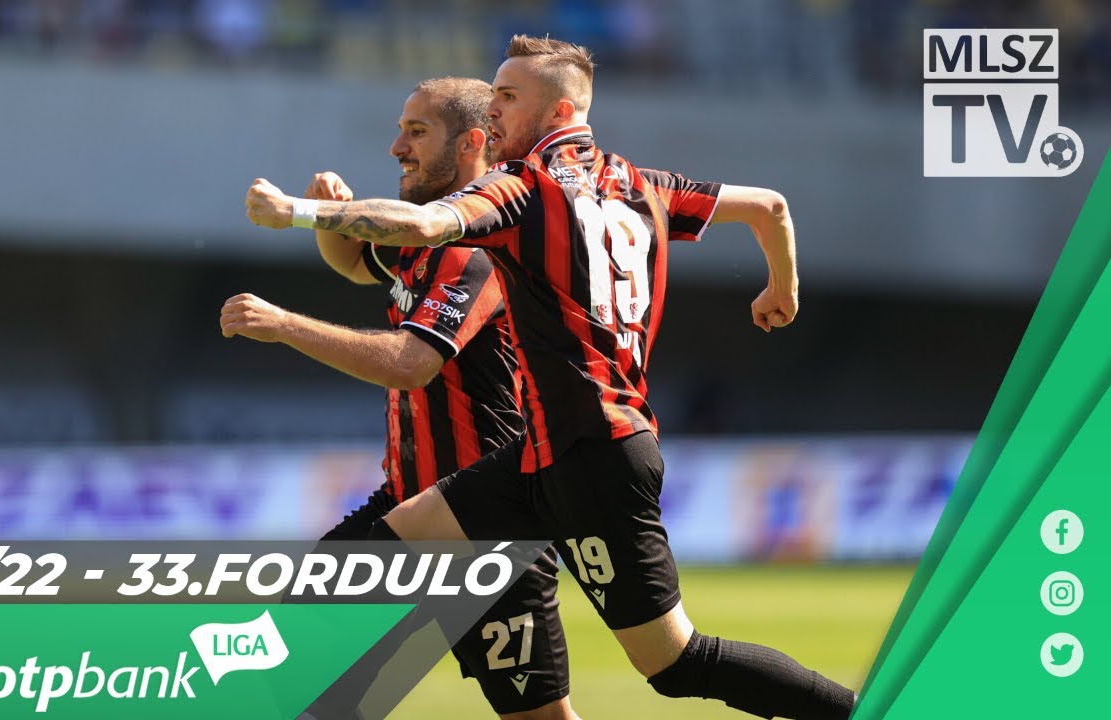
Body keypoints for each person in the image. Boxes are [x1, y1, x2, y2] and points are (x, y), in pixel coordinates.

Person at [243, 35, 856, 720]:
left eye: (508, 96)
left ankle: (862, 712)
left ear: (560, 109)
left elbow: (421, 225)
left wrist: (298, 214)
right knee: (384, 550)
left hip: (594, 452)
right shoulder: (641, 184)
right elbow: (769, 207)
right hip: (539, 456)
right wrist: (783, 287)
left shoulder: (526, 190)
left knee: (675, 664)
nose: (496, 109)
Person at [222, 77, 578, 720]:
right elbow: (358, 263)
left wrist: (283, 324)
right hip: (410, 512)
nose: (396, 147)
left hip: (482, 529)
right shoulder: (427, 243)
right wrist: (330, 213)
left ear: (472, 143)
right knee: (301, 675)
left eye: (417, 132)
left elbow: (413, 365)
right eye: (400, 129)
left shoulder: (475, 252)